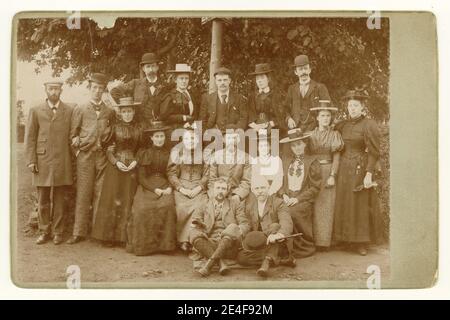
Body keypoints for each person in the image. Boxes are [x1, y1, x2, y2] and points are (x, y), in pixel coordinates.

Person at [67, 73, 116, 244]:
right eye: (94, 88)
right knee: (83, 192)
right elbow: (72, 135)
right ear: (89, 88)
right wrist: (79, 152)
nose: (97, 91)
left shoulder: (108, 111)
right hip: (85, 157)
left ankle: (98, 233)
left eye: (100, 88)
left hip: (102, 156)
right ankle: (78, 232)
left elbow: (111, 135)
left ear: (104, 91)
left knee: (101, 193)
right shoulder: (80, 109)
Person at [25, 79, 74, 245]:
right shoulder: (36, 109)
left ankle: (58, 232)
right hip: (42, 159)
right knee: (43, 198)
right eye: (51, 89)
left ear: (61, 90)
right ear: (45, 89)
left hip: (62, 160)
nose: (54, 92)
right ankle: (44, 230)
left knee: (60, 198)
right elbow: (30, 137)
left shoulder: (68, 110)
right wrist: (31, 160)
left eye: (57, 89)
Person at [333, 90, 382, 256]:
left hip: (360, 168)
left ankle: (361, 242)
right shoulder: (342, 125)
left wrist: (369, 173)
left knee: (359, 204)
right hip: (343, 169)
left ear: (362, 107)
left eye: (355, 106)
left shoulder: (369, 125)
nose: (352, 109)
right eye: (349, 106)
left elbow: (374, 152)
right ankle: (346, 240)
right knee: (345, 203)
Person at [91, 97, 142, 247]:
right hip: (115, 168)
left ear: (133, 112)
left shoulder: (139, 128)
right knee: (112, 200)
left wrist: (135, 161)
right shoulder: (113, 128)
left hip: (132, 167)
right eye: (124, 111)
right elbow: (108, 150)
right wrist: (116, 162)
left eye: (130, 111)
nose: (127, 114)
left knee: (128, 199)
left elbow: (142, 149)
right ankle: (108, 238)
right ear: (120, 113)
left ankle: (124, 237)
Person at [126, 121, 177, 255]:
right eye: (157, 137)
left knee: (168, 206)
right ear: (151, 138)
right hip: (147, 187)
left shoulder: (170, 153)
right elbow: (141, 178)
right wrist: (154, 190)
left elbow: (173, 173)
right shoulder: (145, 153)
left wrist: (170, 187)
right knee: (141, 209)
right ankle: (143, 247)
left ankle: (165, 246)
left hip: (165, 184)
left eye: (162, 136)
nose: (160, 139)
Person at [189, 178, 250, 277]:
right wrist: (197, 224)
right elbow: (195, 221)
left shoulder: (235, 204)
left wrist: (236, 231)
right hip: (210, 243)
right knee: (193, 233)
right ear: (212, 189)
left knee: (232, 227)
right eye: (218, 188)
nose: (220, 191)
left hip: (229, 244)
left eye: (223, 188)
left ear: (227, 191)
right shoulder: (203, 204)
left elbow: (245, 224)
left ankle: (209, 264)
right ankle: (220, 262)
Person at [237, 177, 294, 278]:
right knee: (241, 258)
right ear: (253, 190)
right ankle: (279, 259)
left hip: (277, 242)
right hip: (261, 245)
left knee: (274, 226)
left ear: (268, 188)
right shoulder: (249, 205)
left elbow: (286, 222)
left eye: (262, 188)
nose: (260, 191)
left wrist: (279, 234)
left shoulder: (278, 202)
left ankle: (268, 261)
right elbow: (247, 224)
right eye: (257, 188)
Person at [279, 128, 322, 258]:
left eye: (299, 144)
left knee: (293, 212)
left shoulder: (312, 161)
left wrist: (297, 199)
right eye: (293, 145)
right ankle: (282, 245)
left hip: (302, 199)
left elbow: (315, 188)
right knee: (278, 210)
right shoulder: (286, 161)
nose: (296, 148)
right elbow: (280, 183)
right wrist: (284, 195)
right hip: (287, 197)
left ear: (304, 144)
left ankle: (300, 246)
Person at [309, 100, 344, 250]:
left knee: (327, 206)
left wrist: (332, 175)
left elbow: (336, 157)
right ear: (317, 118)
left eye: (328, 116)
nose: (325, 118)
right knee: (314, 205)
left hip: (328, 169)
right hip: (313, 171)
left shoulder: (335, 134)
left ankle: (325, 242)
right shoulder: (311, 135)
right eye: (322, 115)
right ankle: (314, 240)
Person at [167, 127, 209, 252]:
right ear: (182, 140)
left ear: (197, 140)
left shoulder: (204, 153)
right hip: (182, 185)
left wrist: (199, 187)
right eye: (187, 138)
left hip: (198, 186)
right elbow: (171, 172)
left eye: (193, 138)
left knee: (201, 205)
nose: (190, 141)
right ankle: (182, 240)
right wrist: (180, 188)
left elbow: (207, 174)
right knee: (180, 207)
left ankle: (194, 239)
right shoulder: (176, 151)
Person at [110, 52, 167, 126]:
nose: (151, 70)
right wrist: (126, 103)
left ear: (157, 67)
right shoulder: (135, 83)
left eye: (153, 66)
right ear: (143, 69)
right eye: (148, 67)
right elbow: (114, 91)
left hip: (160, 126)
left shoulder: (165, 86)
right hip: (139, 125)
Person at [284, 55, 331, 132]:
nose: (303, 72)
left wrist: (322, 127)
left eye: (305, 68)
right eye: (300, 69)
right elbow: (286, 109)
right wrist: (288, 119)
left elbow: (329, 109)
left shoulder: (320, 87)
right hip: (296, 128)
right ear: (296, 72)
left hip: (316, 129)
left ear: (310, 70)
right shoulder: (291, 89)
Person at [207, 129, 251, 204]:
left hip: (236, 192)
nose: (231, 141)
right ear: (224, 140)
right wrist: (215, 194)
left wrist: (238, 195)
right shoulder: (215, 156)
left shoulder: (246, 157)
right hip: (218, 191)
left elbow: (246, 181)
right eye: (229, 138)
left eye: (234, 138)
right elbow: (212, 179)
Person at [199, 67, 248, 131]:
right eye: (219, 80)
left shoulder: (240, 99)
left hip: (233, 135)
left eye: (225, 80)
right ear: (216, 81)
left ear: (229, 81)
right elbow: (202, 121)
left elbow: (243, 120)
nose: (222, 83)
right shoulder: (207, 99)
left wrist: (233, 133)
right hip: (212, 136)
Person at [159, 64, 198, 130]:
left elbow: (195, 114)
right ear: (175, 80)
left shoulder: (192, 94)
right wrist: (183, 118)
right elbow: (164, 117)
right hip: (176, 130)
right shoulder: (170, 96)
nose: (184, 81)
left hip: (191, 129)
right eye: (181, 78)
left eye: (186, 78)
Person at [247, 63, 285, 132]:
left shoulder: (275, 95)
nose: (259, 81)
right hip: (256, 128)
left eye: (262, 78)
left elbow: (280, 115)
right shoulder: (252, 96)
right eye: (257, 78)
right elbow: (250, 114)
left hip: (273, 128)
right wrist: (256, 126)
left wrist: (270, 124)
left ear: (268, 79)